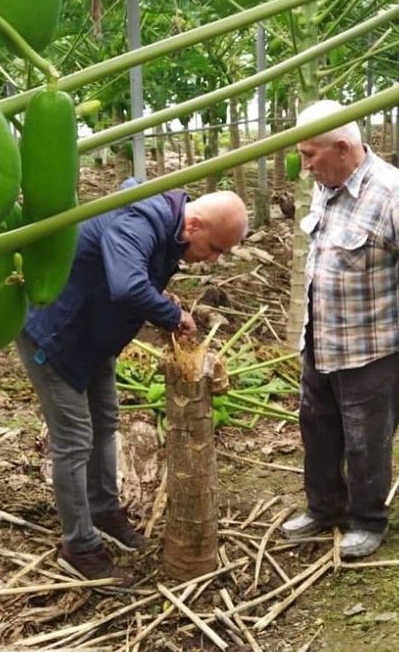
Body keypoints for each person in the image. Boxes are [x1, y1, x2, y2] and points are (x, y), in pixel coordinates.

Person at [17, 186, 249, 585]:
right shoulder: (141, 221)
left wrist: (161, 299)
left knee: (106, 423)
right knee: (74, 440)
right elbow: (126, 285)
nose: (213, 260)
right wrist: (172, 316)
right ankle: (79, 545)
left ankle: (104, 510)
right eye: (214, 248)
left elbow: (128, 277)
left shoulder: (167, 229)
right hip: (56, 338)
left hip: (92, 339)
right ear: (192, 224)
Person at [281, 100, 399, 558]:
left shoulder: (397, 196)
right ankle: (324, 507)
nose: (305, 166)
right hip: (320, 338)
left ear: (341, 147)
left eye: (309, 155)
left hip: (374, 348)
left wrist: (391, 316)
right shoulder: (328, 184)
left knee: (366, 437)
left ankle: (367, 519)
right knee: (317, 428)